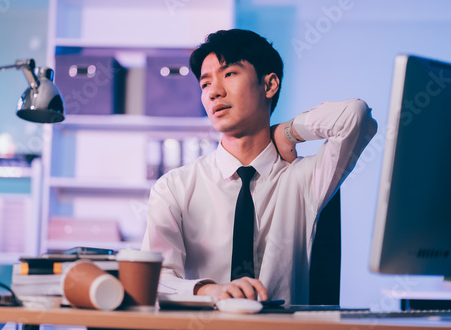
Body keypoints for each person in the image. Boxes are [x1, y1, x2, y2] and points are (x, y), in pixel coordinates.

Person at [142, 29, 377, 304]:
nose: (214, 92)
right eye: (205, 84)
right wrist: (208, 290)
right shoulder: (175, 188)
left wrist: (287, 132)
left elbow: (355, 116)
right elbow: (154, 279)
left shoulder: (303, 179)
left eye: (229, 74)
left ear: (269, 85)